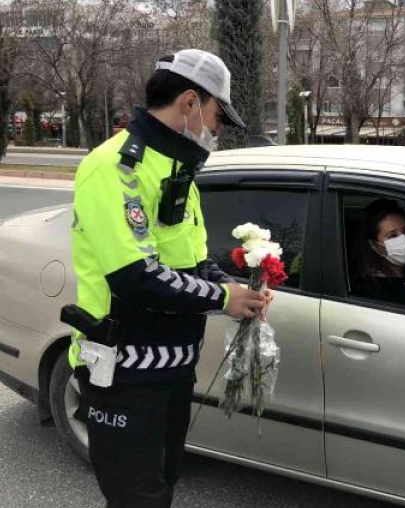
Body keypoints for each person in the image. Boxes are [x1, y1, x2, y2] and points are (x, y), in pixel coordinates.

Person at [70, 49, 269, 508]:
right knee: (135, 497)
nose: (216, 129)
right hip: (122, 370)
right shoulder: (116, 168)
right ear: (189, 103)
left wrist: (242, 290)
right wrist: (222, 298)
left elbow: (191, 262)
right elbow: (134, 276)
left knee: (163, 484)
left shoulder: (178, 168)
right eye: (218, 115)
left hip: (175, 366)